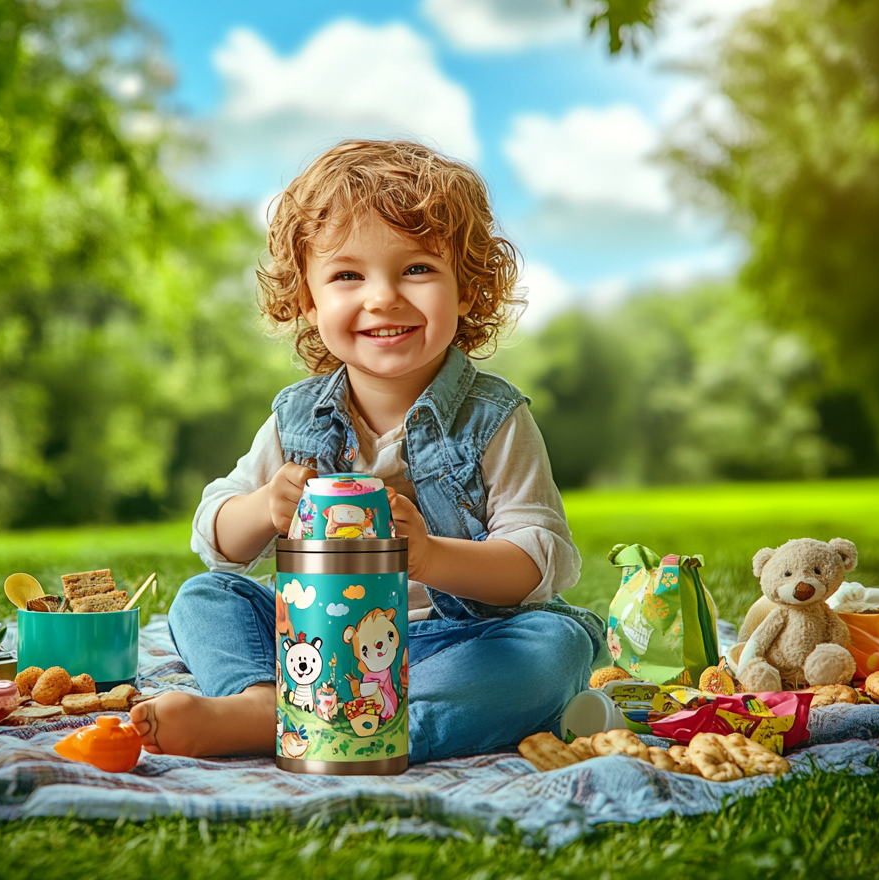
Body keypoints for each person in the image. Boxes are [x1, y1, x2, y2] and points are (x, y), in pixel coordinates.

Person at [130, 140, 604, 761]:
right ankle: (261, 700)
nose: (382, 297)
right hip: (316, 645)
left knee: (556, 647)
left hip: (461, 644)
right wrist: (262, 510)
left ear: (466, 291)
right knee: (206, 599)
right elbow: (216, 538)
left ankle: (353, 728)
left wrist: (430, 556)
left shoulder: (495, 419)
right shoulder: (298, 419)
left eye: (417, 269)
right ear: (308, 298)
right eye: (348, 275)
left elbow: (535, 563)